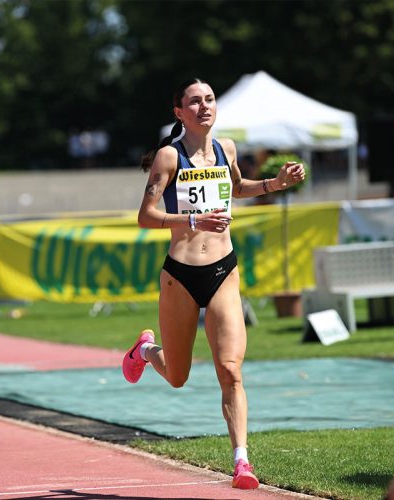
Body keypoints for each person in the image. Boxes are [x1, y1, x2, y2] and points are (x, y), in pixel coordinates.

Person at [122, 77, 305, 490]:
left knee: (231, 370)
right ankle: (146, 350)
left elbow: (237, 188)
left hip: (224, 269)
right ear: (179, 112)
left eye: (209, 99)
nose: (204, 106)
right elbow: (146, 216)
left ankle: (241, 462)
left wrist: (275, 184)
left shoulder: (227, 149)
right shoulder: (169, 158)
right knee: (178, 376)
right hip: (181, 275)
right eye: (194, 102)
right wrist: (192, 220)